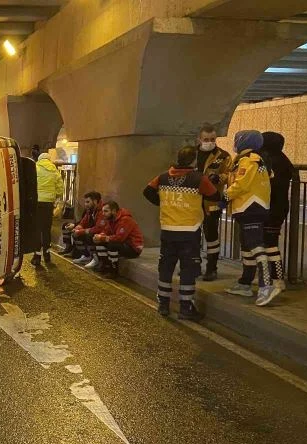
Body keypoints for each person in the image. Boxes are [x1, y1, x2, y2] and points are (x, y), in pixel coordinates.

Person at [144, 146, 221, 319]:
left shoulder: (163, 177)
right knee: (188, 269)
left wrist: (163, 202)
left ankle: (163, 304)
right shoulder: (198, 179)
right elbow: (215, 195)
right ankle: (186, 307)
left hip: (168, 229)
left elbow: (147, 191)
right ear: (193, 160)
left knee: (166, 267)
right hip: (189, 230)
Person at [223, 130, 278, 306]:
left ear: (243, 142)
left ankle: (266, 286)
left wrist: (225, 196)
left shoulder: (250, 160)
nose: (235, 143)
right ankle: (245, 283)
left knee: (256, 247)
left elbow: (241, 183)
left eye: (237, 140)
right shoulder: (250, 160)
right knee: (247, 248)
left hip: (251, 207)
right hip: (247, 208)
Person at [258, 131, 294, 294]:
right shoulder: (284, 160)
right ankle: (273, 278)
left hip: (270, 207)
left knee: (270, 244)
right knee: (269, 242)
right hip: (278, 207)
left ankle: (277, 279)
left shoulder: (268, 161)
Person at [196, 123, 233, 281]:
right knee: (192, 234)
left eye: (212, 139)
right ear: (199, 139)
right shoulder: (192, 154)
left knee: (211, 234)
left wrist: (220, 178)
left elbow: (230, 174)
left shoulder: (223, 156)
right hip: (193, 200)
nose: (209, 142)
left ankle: (211, 268)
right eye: (206, 139)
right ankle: (193, 265)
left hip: (213, 200)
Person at [92, 201, 144, 278]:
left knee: (112, 245)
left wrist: (102, 238)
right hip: (124, 244)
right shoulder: (111, 219)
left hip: (133, 248)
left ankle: (113, 270)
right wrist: (99, 236)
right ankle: (105, 265)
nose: (103, 214)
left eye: (106, 211)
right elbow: (106, 231)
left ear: (113, 211)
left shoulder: (125, 219)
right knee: (99, 242)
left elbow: (119, 238)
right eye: (102, 211)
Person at [32, 150, 64, 267]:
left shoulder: (35, 168)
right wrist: (54, 196)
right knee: (46, 230)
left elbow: (31, 184)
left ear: (40, 160)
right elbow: (60, 188)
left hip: (37, 203)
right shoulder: (54, 170)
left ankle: (36, 257)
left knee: (37, 230)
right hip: (48, 204)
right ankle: (47, 256)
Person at [61, 191, 104, 267]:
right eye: (85, 202)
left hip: (102, 233)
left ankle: (94, 258)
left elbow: (98, 228)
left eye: (88, 202)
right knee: (74, 232)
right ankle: (85, 255)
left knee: (89, 235)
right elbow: (83, 222)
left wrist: (81, 231)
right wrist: (77, 227)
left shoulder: (102, 211)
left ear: (95, 201)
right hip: (94, 231)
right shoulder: (90, 210)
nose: (85, 204)